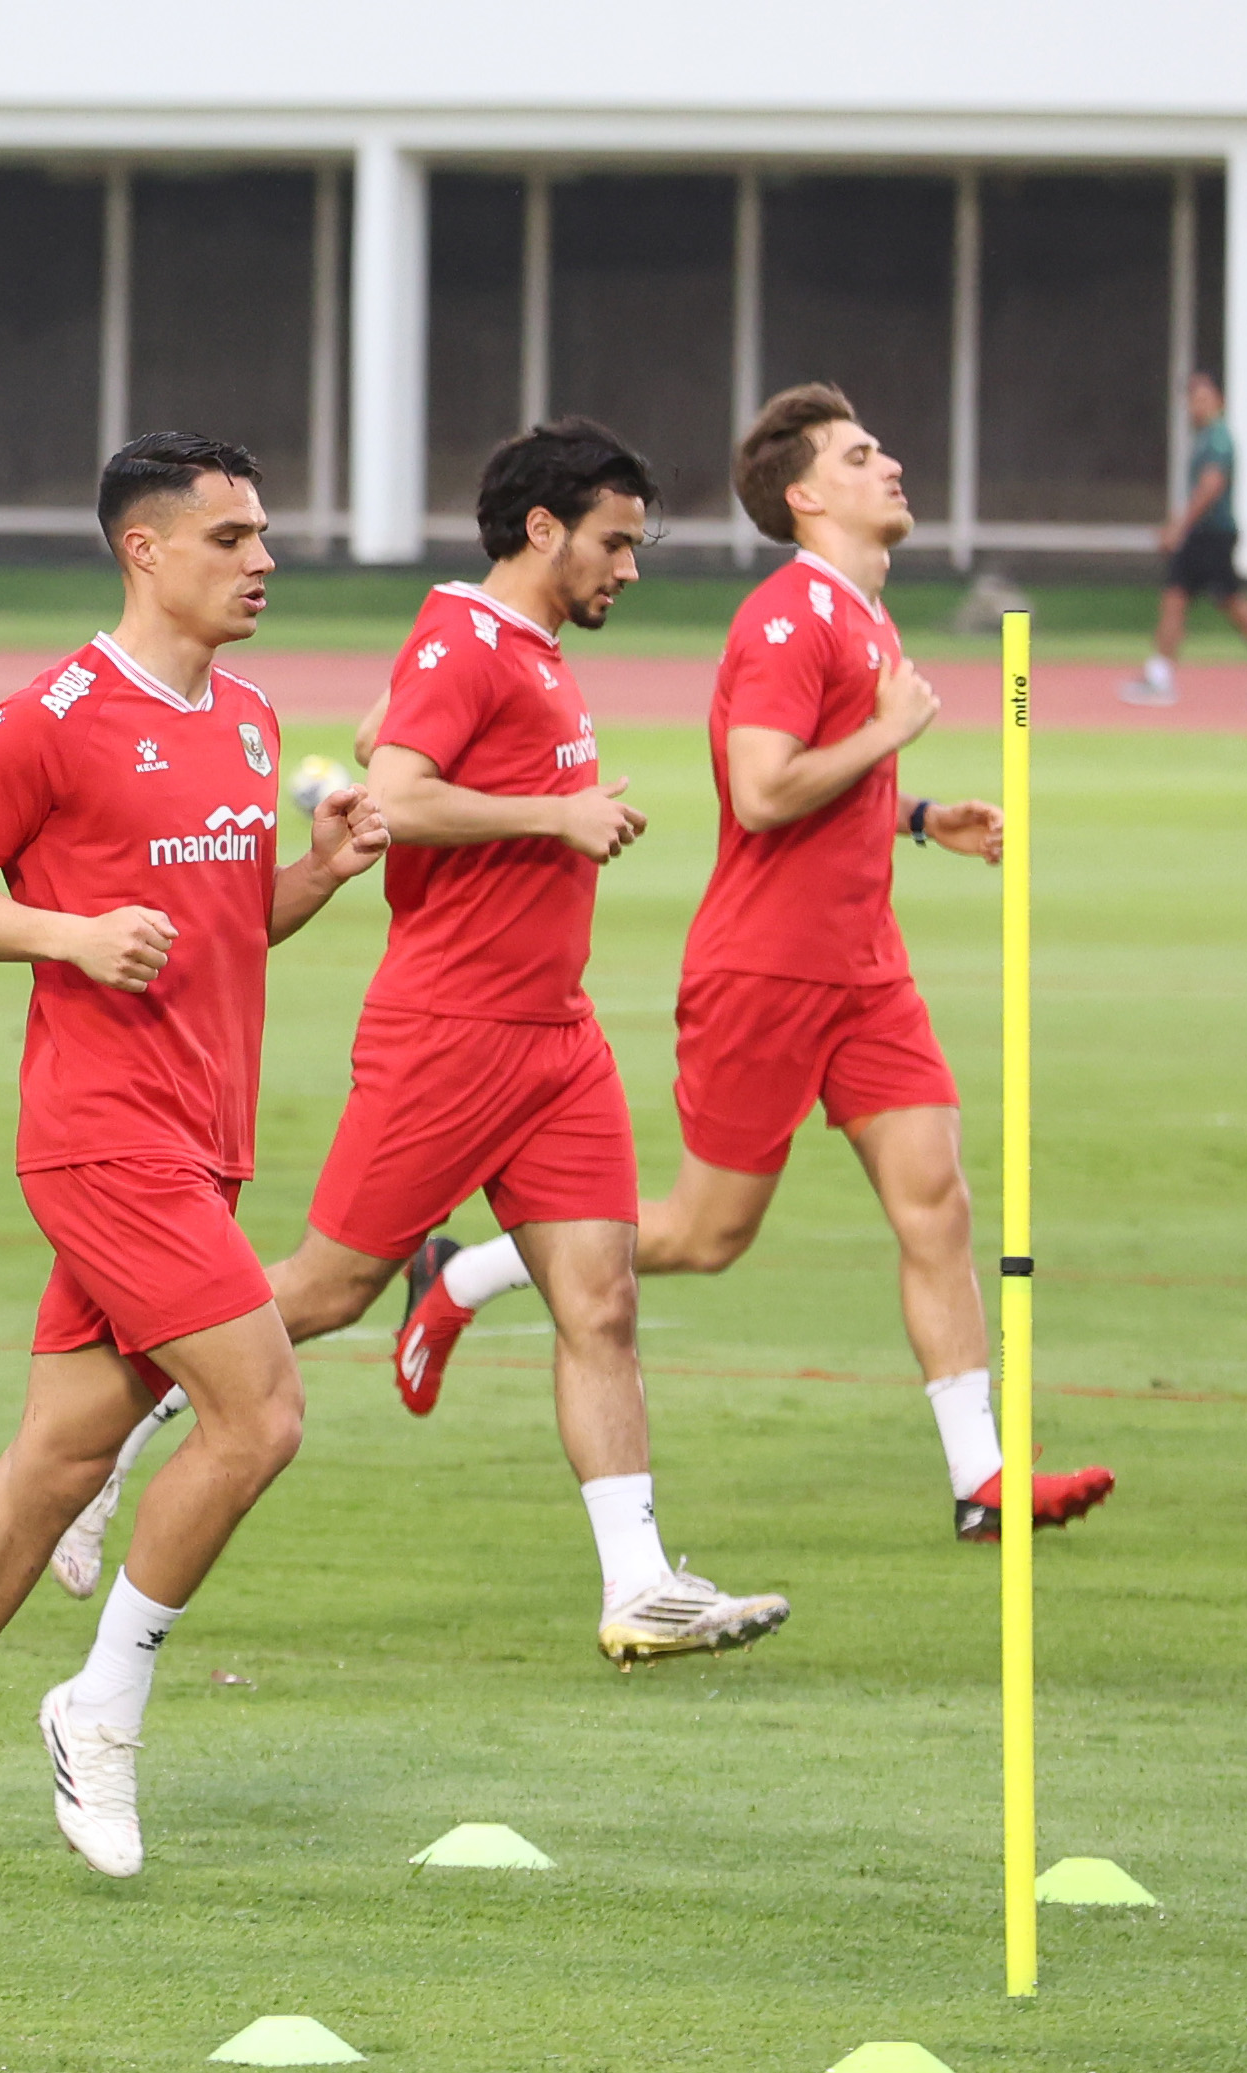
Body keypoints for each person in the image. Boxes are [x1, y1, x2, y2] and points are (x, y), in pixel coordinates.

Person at [0, 433, 387, 1890]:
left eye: (263, 536)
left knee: (61, 1458)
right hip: (100, 1137)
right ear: (144, 551)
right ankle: (102, 1704)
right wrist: (64, 931)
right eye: (232, 537)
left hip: (205, 1144)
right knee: (259, 1417)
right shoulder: (51, 718)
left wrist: (317, 870)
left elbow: (219, 922)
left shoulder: (250, 719)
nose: (263, 561)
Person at [406, 385, 1115, 1543]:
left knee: (934, 1202)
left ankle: (978, 1477)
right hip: (765, 972)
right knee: (703, 1235)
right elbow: (760, 789)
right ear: (804, 494)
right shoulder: (787, 619)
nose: (888, 465)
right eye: (859, 452)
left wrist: (916, 812)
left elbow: (824, 791)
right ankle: (462, 1274)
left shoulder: (866, 617)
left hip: (863, 968)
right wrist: (892, 735)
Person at [282, 419, 783, 1665]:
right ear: (542, 527)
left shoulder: (514, 642)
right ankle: (111, 1426)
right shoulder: (470, 634)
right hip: (449, 1029)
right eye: (613, 541)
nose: (628, 567)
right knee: (328, 1291)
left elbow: (380, 741)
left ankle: (639, 1587)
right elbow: (396, 793)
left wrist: (408, 752)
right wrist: (553, 813)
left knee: (599, 1301)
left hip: (553, 1035)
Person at [1123, 370, 1242, 708]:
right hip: (1201, 534)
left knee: (1229, 603)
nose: (1197, 406)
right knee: (1175, 598)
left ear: (1218, 400)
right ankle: (1160, 676)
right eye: (1193, 399)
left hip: (1212, 534)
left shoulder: (1218, 438)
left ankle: (1160, 676)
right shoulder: (1205, 437)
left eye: (1203, 398)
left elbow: (1211, 487)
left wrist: (1179, 527)